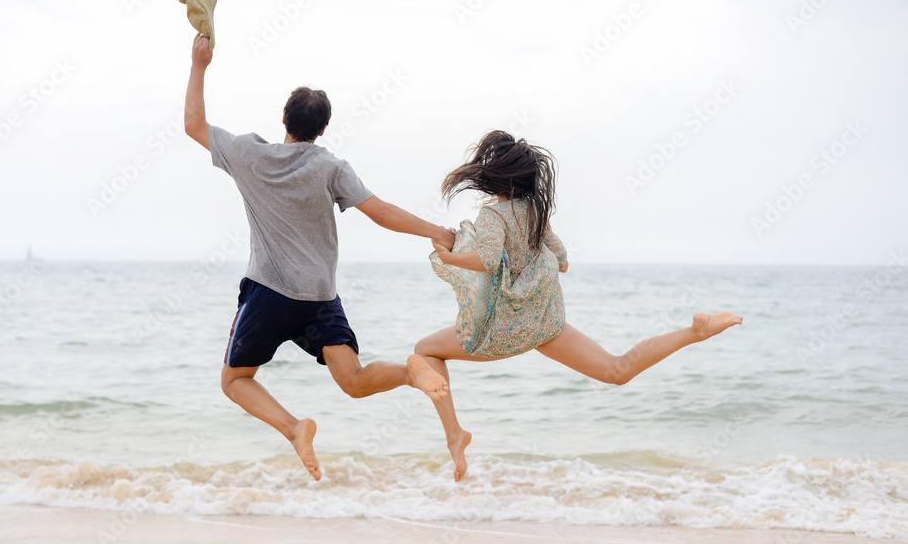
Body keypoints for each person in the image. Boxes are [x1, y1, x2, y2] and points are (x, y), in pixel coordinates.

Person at [183, 34, 452, 480]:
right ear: (323, 129)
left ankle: (294, 428)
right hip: (319, 297)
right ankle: (410, 372)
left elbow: (194, 124)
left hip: (268, 293)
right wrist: (437, 232)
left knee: (234, 381)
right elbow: (380, 212)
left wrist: (199, 64)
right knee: (354, 380)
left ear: (283, 118)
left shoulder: (249, 153)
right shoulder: (330, 167)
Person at [416, 130, 743, 481]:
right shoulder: (535, 214)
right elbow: (563, 261)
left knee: (424, 352)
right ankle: (694, 332)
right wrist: (531, 260)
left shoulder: (492, 217)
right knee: (617, 370)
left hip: (500, 333)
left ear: (493, 175)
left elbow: (489, 260)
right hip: (545, 324)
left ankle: (455, 435)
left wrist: (450, 257)